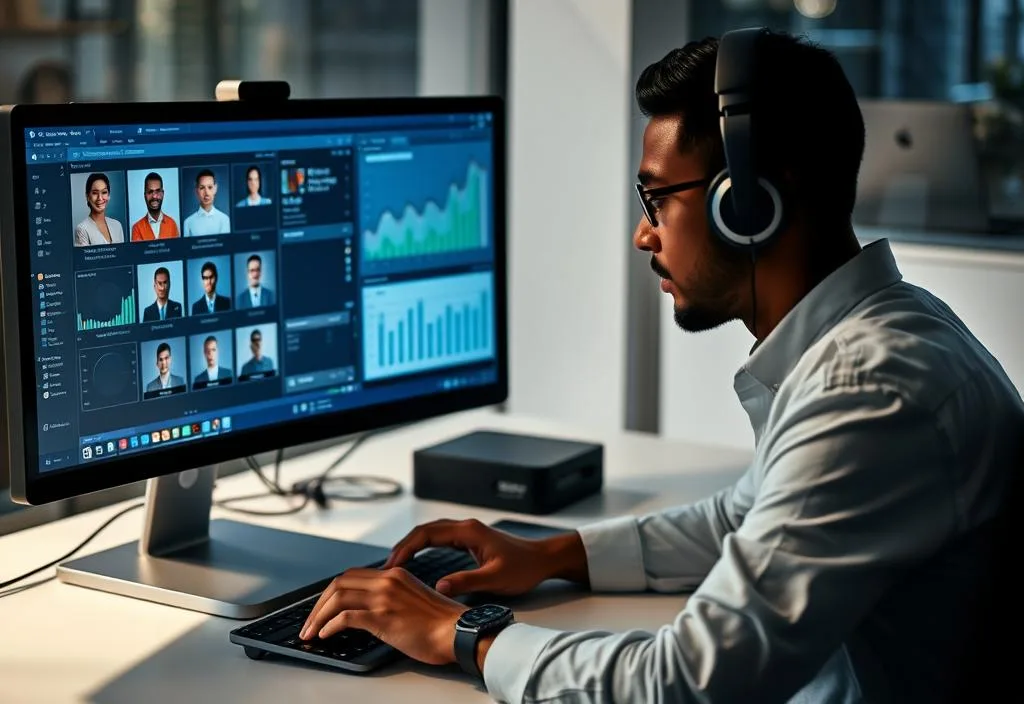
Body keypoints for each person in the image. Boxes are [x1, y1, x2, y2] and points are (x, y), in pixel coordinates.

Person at [296, 28, 1024, 703]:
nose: (643, 233)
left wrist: (460, 634)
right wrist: (553, 555)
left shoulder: (869, 393)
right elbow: (743, 518)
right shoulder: (888, 328)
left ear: (750, 205)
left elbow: (682, 682)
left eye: (657, 198)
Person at [74, 173, 124, 246]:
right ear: (87, 196)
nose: (100, 198)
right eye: (95, 193)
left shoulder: (117, 225)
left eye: (104, 192)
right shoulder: (82, 229)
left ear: (108, 196)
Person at [130, 172, 179, 241]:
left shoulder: (172, 224)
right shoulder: (137, 228)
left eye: (158, 191)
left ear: (162, 194)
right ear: (145, 195)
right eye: (150, 192)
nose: (154, 196)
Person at [183, 169, 231, 236]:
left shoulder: (225, 220)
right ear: (196, 191)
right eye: (202, 188)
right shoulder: (188, 223)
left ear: (215, 188)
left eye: (210, 187)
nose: (206, 193)